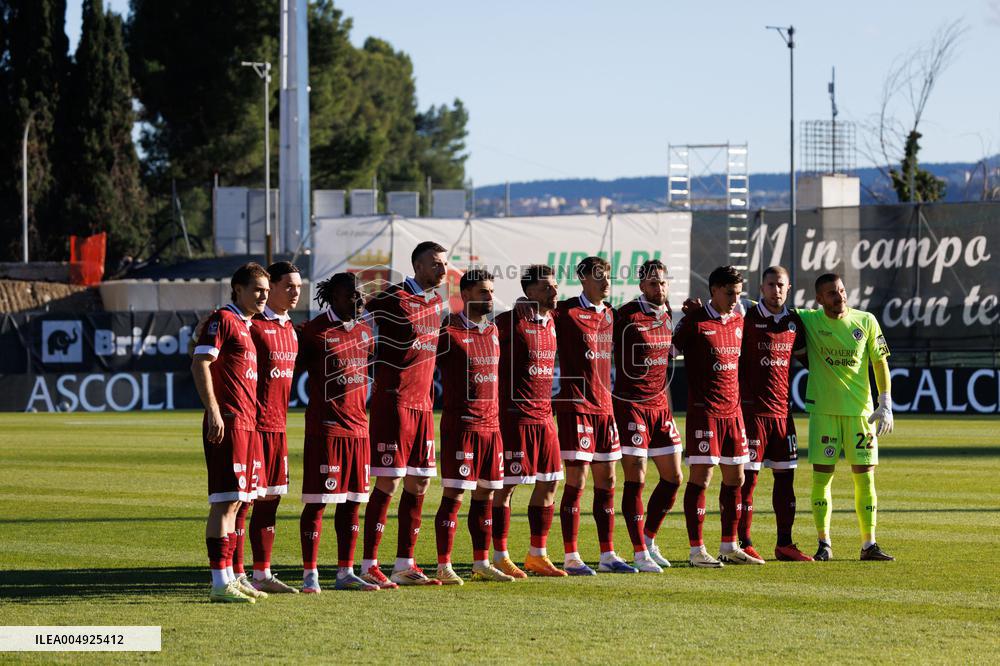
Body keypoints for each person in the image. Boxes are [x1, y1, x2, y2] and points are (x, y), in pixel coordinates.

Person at [361, 241, 448, 587]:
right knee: (389, 480)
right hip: (394, 403)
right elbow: (356, 324)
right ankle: (369, 563)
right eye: (435, 264)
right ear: (417, 266)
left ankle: (404, 563)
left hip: (423, 405)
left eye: (444, 263)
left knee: (420, 480)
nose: (442, 269)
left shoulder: (438, 302)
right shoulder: (391, 299)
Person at [799, 273, 895, 562]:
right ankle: (824, 543)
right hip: (824, 412)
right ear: (819, 299)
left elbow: (880, 362)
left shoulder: (866, 321)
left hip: (860, 415)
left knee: (865, 480)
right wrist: (739, 304)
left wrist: (885, 401)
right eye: (831, 293)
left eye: (841, 290)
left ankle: (869, 544)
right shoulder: (810, 320)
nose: (839, 296)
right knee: (821, 479)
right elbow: (771, 307)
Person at [191, 262, 271, 603]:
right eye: (257, 289)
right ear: (237, 289)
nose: (263, 296)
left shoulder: (246, 325)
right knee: (224, 502)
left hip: (248, 424)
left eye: (266, 290)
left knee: (238, 502)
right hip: (230, 421)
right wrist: (213, 410)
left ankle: (229, 577)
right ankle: (218, 582)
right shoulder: (223, 319)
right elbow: (200, 362)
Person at [672, 265, 761, 567]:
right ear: (713, 291)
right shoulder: (694, 321)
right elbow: (667, 353)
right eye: (729, 292)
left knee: (736, 477)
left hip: (733, 413)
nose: (735, 298)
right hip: (704, 413)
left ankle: (729, 545)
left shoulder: (739, 318)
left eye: (738, 293)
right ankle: (696, 550)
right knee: (702, 477)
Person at [553, 256, 635, 575]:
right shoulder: (567, 310)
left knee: (609, 480)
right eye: (599, 276)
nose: (605, 282)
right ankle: (571, 556)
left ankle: (608, 554)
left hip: (605, 407)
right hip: (576, 407)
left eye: (608, 276)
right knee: (577, 481)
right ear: (583, 279)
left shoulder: (611, 315)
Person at [298, 273, 379, 592]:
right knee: (318, 501)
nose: (358, 301)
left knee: (353, 502)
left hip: (359, 430)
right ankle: (310, 574)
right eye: (351, 296)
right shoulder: (314, 331)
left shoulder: (364, 331)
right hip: (326, 429)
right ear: (333, 297)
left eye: (360, 296)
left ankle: (345, 572)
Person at [433, 269, 514, 584]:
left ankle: (481, 562)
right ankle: (444, 564)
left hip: (492, 428)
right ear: (464, 296)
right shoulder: (448, 332)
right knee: (455, 494)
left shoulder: (494, 331)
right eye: (483, 291)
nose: (490, 297)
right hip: (462, 427)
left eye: (492, 291)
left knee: (487, 495)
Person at [491, 264, 566, 578]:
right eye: (547, 287)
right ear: (529, 292)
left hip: (544, 417)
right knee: (506, 486)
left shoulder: (552, 320)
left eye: (554, 285)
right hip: (515, 417)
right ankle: (498, 555)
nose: (554, 291)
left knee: (549, 482)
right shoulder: (508, 322)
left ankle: (537, 554)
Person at [736, 266, 813, 562]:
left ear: (789, 287)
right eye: (771, 285)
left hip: (783, 414)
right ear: (762, 287)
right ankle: (743, 542)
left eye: (781, 285)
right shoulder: (748, 318)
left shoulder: (794, 322)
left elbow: (808, 361)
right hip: (752, 413)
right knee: (748, 480)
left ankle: (785, 544)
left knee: (786, 479)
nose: (776, 290)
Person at [236, 261, 303, 594]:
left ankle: (262, 573)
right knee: (243, 502)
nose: (295, 293)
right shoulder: (251, 325)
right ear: (271, 287)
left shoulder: (291, 329)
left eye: (299, 287)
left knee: (271, 501)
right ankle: (236, 574)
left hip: (279, 428)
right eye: (288, 286)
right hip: (253, 427)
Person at [612, 259, 683, 572]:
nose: (660, 289)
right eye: (654, 284)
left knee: (673, 478)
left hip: (660, 408)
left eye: (664, 283)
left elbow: (665, 367)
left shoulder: (667, 315)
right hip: (631, 406)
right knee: (636, 480)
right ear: (642, 286)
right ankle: (639, 553)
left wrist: (668, 408)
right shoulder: (625, 315)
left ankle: (649, 539)